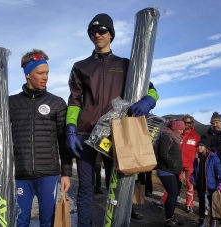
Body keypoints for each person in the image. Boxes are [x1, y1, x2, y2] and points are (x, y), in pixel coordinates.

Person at [65, 13, 159, 226]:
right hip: (85, 134)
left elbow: (152, 91)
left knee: (116, 188)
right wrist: (71, 127)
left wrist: (148, 102)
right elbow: (74, 100)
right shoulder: (81, 66)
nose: (97, 34)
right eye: (93, 32)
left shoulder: (127, 65)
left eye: (102, 31)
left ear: (111, 34)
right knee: (86, 189)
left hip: (116, 134)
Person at [0, 49, 72, 227]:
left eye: (47, 73)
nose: (45, 77)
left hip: (48, 174)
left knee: (48, 221)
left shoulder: (56, 103)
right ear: (28, 74)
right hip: (20, 174)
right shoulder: (11, 103)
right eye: (40, 73)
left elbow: (63, 140)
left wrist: (66, 173)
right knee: (20, 221)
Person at [189, 138, 221, 227]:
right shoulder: (197, 158)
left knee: (213, 205)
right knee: (201, 204)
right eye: (198, 146)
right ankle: (201, 220)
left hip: (211, 186)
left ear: (206, 147)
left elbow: (219, 171)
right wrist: (192, 177)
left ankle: (213, 221)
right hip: (200, 185)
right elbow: (195, 171)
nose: (199, 147)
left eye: (201, 146)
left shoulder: (214, 158)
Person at [156, 120, 184, 227]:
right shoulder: (166, 137)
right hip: (166, 171)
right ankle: (168, 220)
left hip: (172, 172)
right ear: (175, 128)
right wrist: (172, 164)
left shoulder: (173, 138)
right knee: (172, 194)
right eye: (180, 128)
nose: (182, 131)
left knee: (175, 194)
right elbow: (163, 153)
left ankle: (171, 217)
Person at [180, 114, 201, 213]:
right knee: (173, 183)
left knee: (190, 185)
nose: (186, 124)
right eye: (184, 122)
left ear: (191, 123)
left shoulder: (196, 136)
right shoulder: (178, 133)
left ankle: (189, 205)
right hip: (178, 163)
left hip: (190, 164)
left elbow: (200, 150)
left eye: (188, 122)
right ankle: (164, 200)